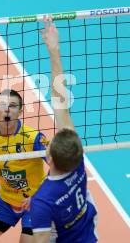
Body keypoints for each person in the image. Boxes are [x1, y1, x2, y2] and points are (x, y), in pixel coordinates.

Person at [30, 16, 98, 243]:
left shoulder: (43, 201)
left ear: (49, 159)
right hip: (88, 234)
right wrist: (54, 49)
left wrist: (53, 49)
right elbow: (60, 100)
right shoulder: (75, 159)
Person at [0, 89, 49, 243]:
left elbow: (58, 169)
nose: (7, 109)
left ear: (20, 112)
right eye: (3, 105)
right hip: (5, 201)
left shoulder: (34, 138)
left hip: (36, 202)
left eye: (13, 105)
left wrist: (40, 197)